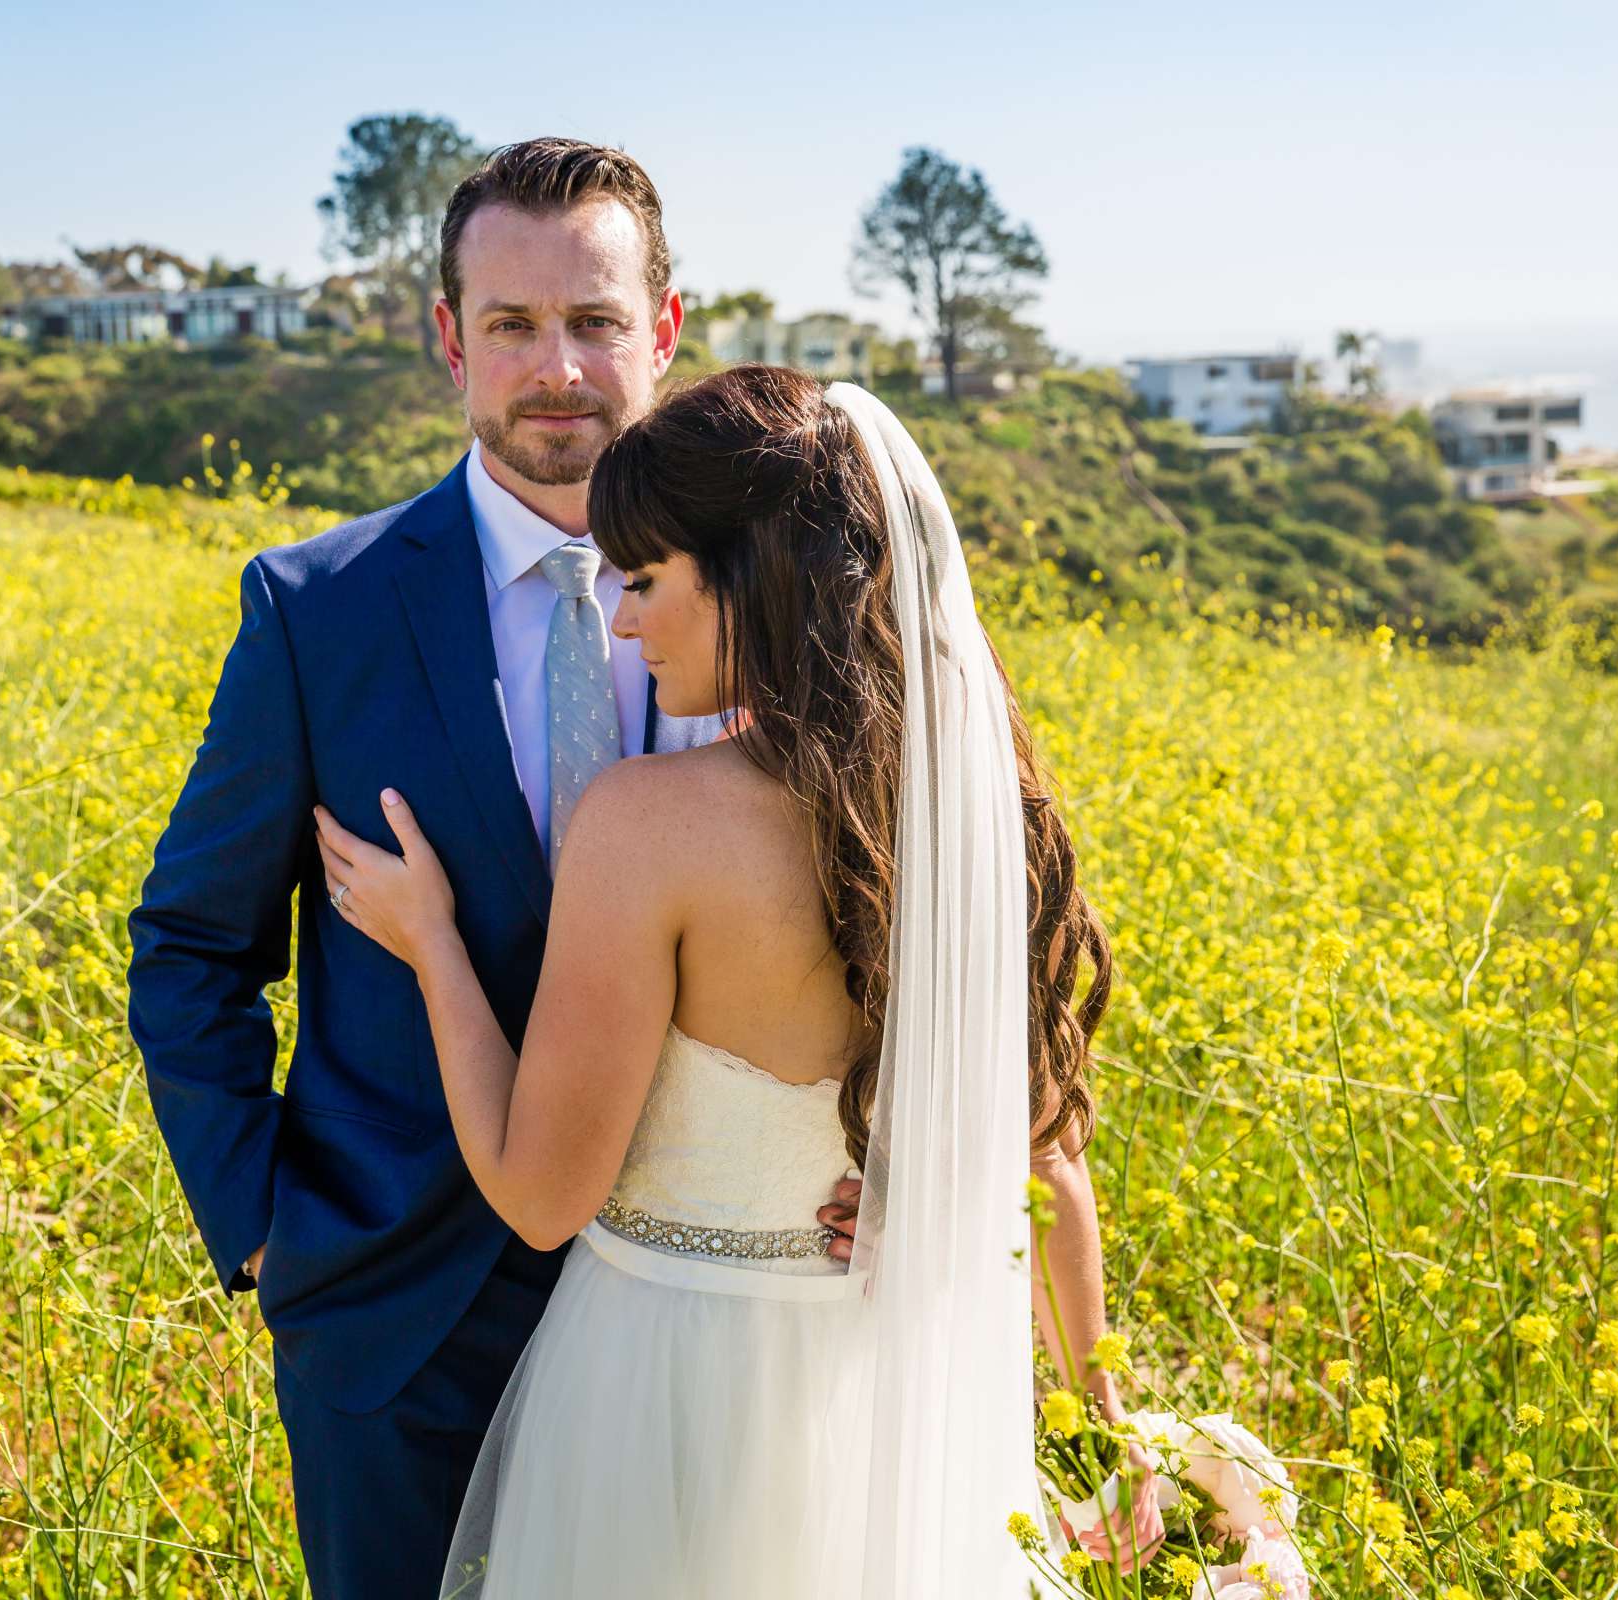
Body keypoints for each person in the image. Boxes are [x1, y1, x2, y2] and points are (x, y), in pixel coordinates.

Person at [124, 140, 860, 1599]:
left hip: (724, 1317)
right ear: (451, 337)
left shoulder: (803, 612)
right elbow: (193, 947)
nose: (558, 370)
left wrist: (882, 1162)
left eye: (594, 322)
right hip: (399, 1325)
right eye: (513, 325)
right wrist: (271, 1231)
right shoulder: (313, 610)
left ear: (664, 327)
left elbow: (900, 920)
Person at [313, 363, 1160, 1596]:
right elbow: (1050, 1164)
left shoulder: (649, 823)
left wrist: (430, 939)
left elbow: (540, 1195)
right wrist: (1105, 1421)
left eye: (648, 580)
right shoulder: (969, 814)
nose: (622, 619)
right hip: (879, 1411)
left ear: (753, 576)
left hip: (660, 1385)